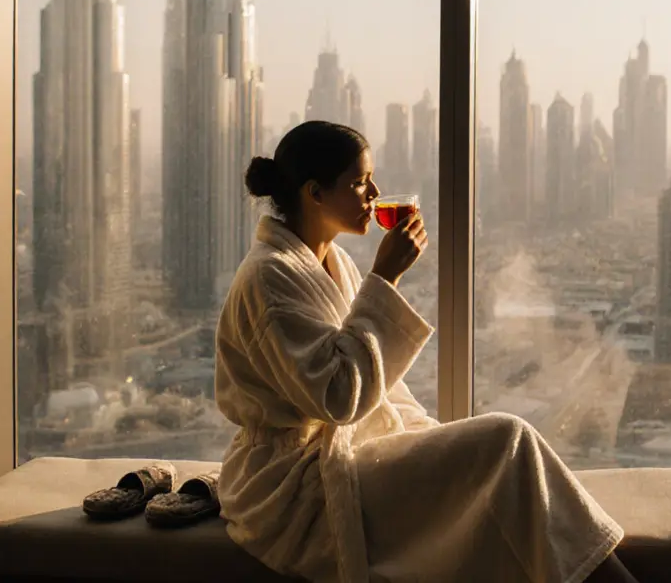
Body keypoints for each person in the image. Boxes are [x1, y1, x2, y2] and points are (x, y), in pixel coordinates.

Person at [216, 121, 639, 583]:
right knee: (507, 439)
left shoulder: (333, 262)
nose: (375, 194)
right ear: (315, 193)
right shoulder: (269, 278)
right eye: (359, 183)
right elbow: (338, 398)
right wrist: (385, 279)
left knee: (498, 458)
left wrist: (433, 441)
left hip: (352, 455)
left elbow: (382, 385)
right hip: (293, 488)